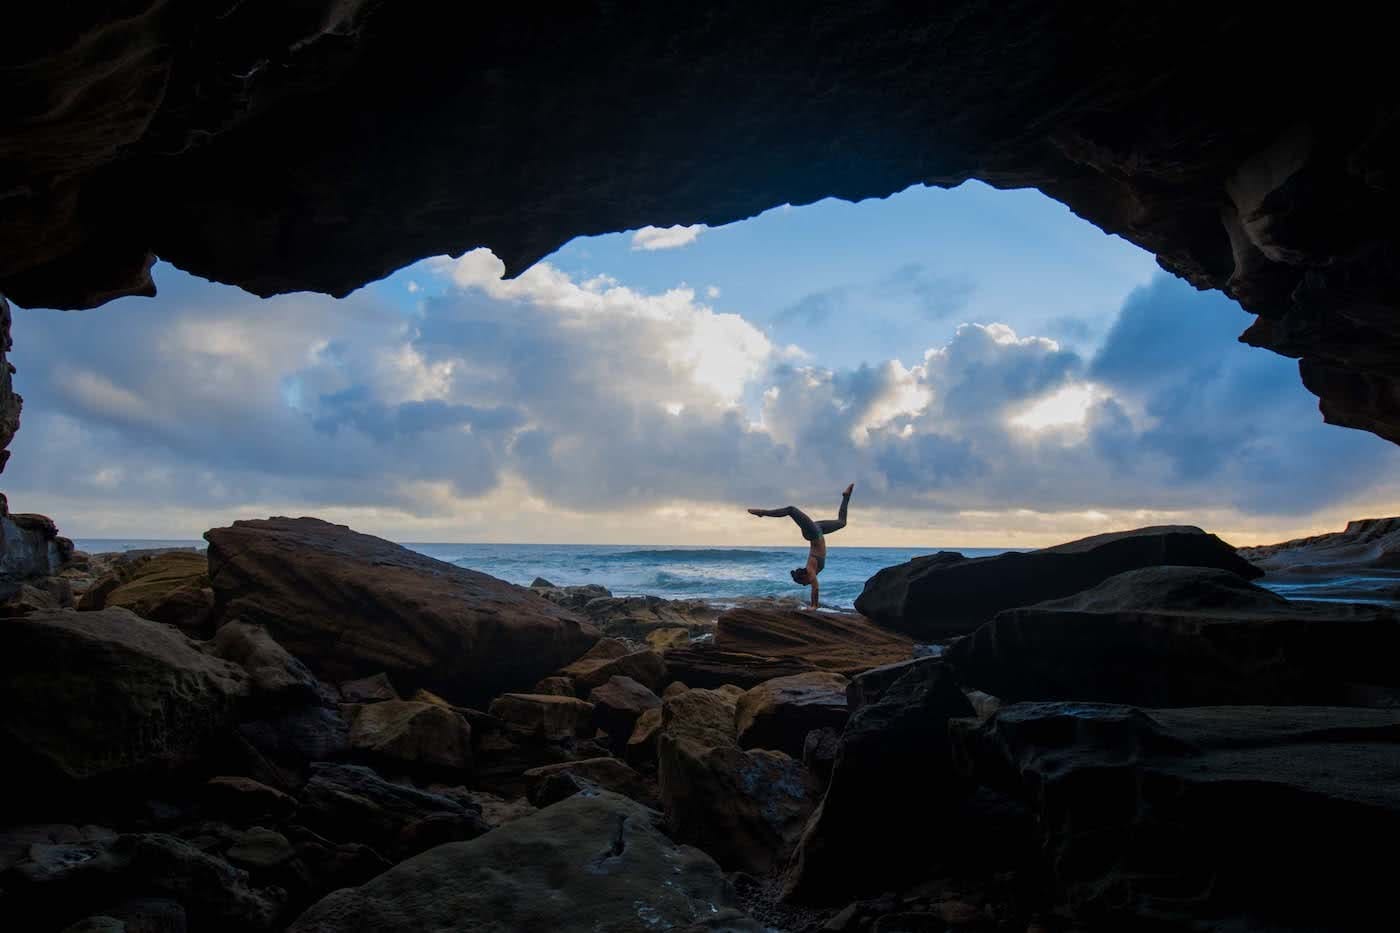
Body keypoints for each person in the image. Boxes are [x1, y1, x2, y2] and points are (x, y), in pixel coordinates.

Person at [747, 483, 854, 609]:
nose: (804, 585)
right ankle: (846, 496)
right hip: (818, 531)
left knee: (791, 510)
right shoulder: (812, 571)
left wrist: (814, 605)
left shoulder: (810, 571)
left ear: (804, 576)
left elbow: (815, 588)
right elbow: (814, 587)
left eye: (802, 583)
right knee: (842, 523)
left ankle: (762, 512)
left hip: (813, 533)